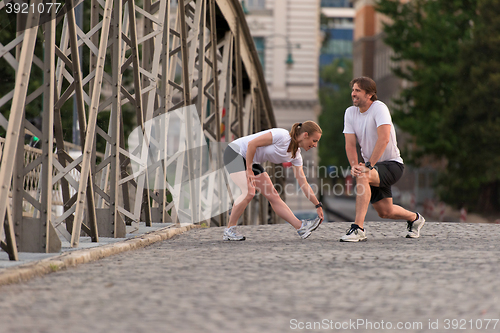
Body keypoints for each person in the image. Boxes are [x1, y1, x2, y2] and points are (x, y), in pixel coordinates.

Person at [341, 77, 425, 242]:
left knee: (363, 175)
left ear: (370, 94)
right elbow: (350, 145)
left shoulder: (379, 108)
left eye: (358, 91)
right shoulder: (350, 113)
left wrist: (368, 166)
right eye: (353, 90)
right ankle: (415, 219)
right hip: (373, 167)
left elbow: (384, 139)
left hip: (392, 165)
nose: (353, 94)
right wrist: (354, 166)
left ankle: (358, 228)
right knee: (385, 211)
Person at [222, 121, 324, 241]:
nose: (315, 145)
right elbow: (252, 144)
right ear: (305, 135)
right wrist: (249, 169)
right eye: (314, 141)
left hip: (250, 160)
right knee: (249, 192)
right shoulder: (282, 136)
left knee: (274, 195)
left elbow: (303, 183)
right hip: (234, 153)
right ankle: (229, 229)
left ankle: (301, 227)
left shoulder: (296, 156)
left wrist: (318, 205)